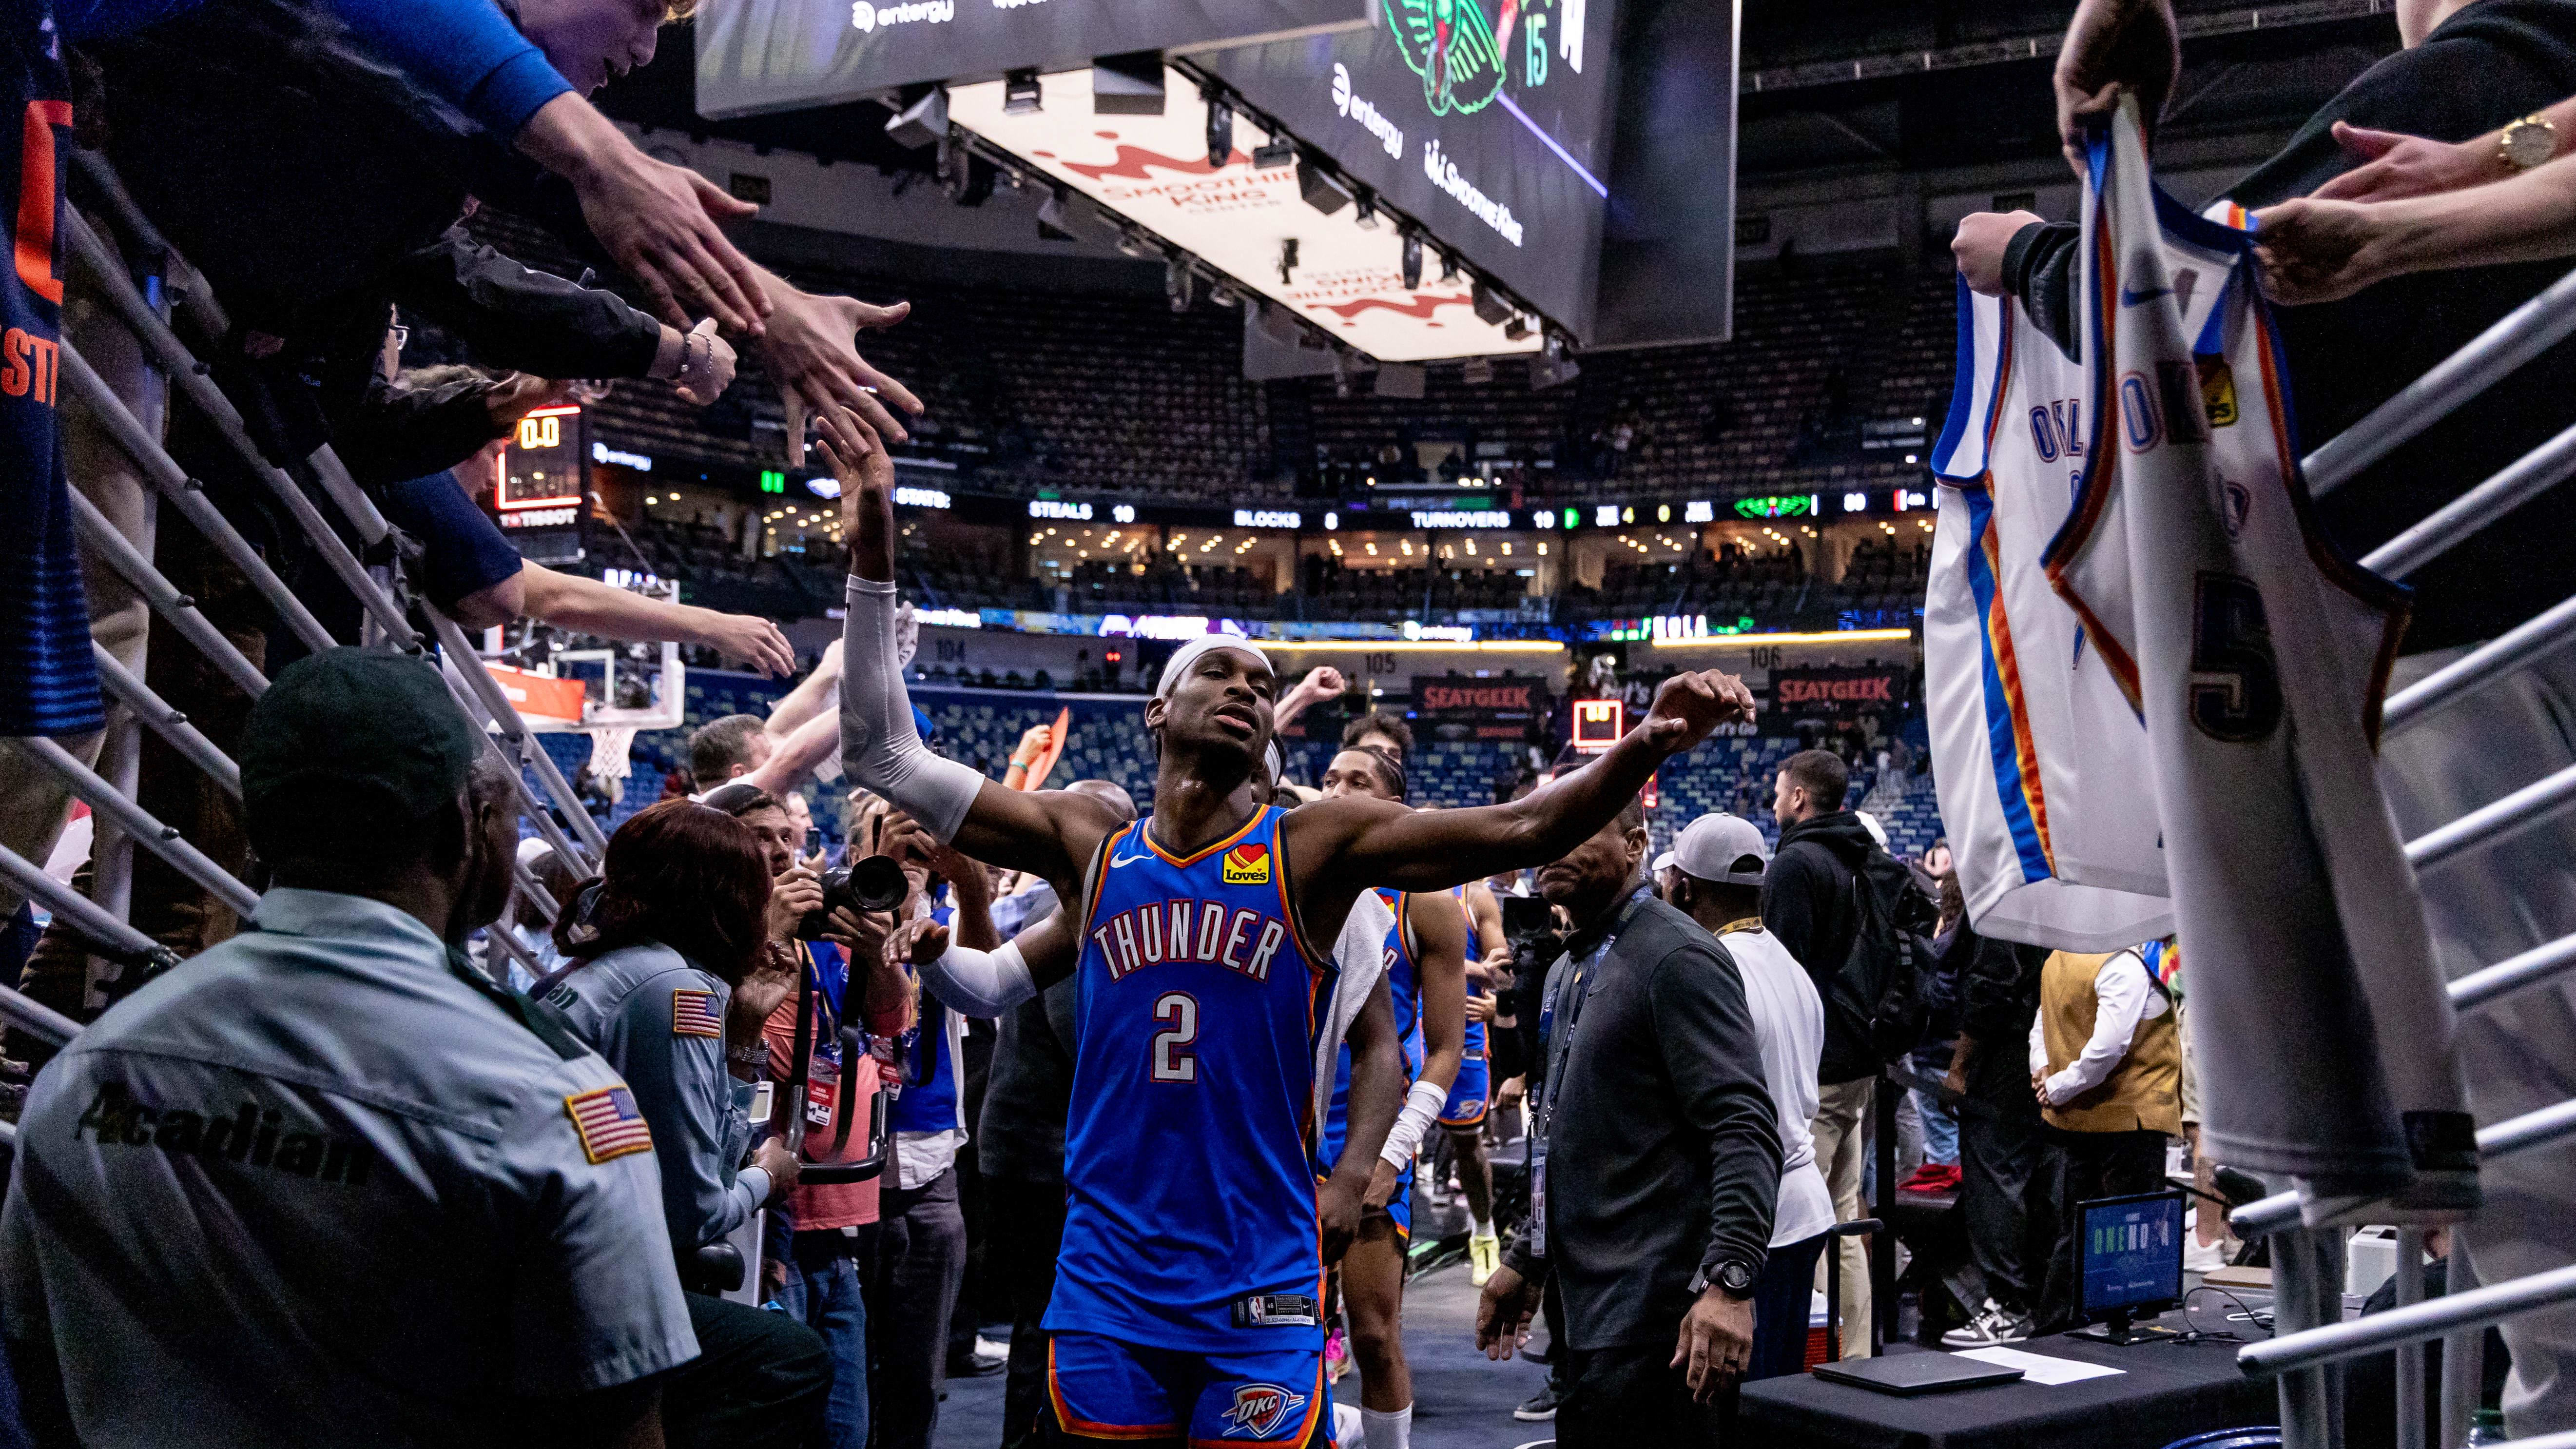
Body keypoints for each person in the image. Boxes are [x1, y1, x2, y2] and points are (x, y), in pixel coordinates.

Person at [826, 400, 1755, 1448]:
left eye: (1261, 684)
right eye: (1218, 672)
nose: (1244, 688)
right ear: (1153, 710)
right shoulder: (1093, 839)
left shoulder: (1311, 846)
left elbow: (1518, 826)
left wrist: (1642, 745)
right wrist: (873, 544)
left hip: (1259, 1269)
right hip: (1108, 1273)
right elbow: (883, 753)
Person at [0, 648, 697, 1446]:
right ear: (462, 825)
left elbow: (37, 1360)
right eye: (510, 806)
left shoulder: (87, 1071)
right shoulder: (551, 1097)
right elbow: (618, 1421)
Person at [1472, 799, 1782, 1448]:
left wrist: (1730, 1282)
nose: (1552, 842)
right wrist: (1527, 1256)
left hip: (1659, 1319)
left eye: (1577, 828)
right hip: (1588, 1309)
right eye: (1549, 826)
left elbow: (1743, 1128)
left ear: (1636, 844)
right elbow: (1561, 1130)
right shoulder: (1567, 965)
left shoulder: (1676, 957)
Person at [542, 799, 833, 1448]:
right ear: (727, 899)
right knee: (790, 1358)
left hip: (550, 1259)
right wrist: (768, 1176)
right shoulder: (679, 989)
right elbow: (696, 1208)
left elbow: (696, 1165)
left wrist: (749, 1029)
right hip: (573, 1286)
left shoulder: (612, 967)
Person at [705, 782, 916, 1449]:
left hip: (836, 1218)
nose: (777, 850)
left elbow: (889, 1031)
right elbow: (726, 1049)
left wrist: (877, 949)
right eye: (757, 837)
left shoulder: (821, 933)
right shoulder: (707, 937)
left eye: (785, 838)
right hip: (756, 1223)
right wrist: (765, 930)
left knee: (846, 1431)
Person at [1312, 746, 1471, 1449]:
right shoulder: (1295, 878)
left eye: (1358, 782)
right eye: (1330, 779)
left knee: (1374, 1335)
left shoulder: (1426, 900)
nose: (1337, 790)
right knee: (1288, 1330)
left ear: (1393, 807)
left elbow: (1445, 1050)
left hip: (1374, 1139)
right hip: (1288, 1139)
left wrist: (1392, 1154)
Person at [977, 782, 1140, 1449]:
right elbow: (1086, 1035)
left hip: (1032, 1148)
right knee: (1050, 1331)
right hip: (1045, 1158)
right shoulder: (1081, 903)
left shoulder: (1061, 896)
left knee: (1046, 1328)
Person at [1664, 813, 1836, 1383]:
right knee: (1775, 1401)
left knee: (1729, 1406)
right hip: (1800, 1204)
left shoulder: (1711, 967)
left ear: (1683, 887)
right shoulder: (1788, 964)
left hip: (1747, 1218)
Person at [1759, 746, 1880, 1357]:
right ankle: (1855, 1356)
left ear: (1799, 798)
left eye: (1779, 793)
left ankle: (1796, 1366)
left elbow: (1782, 972)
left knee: (1800, 1224)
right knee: (1842, 1220)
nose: (1775, 802)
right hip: (1859, 1056)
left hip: (1817, 1069)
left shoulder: (1796, 863)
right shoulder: (1861, 855)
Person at [2027, 942, 2181, 1332]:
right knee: (2132, 1233)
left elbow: (2040, 1024)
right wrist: (2060, 1084)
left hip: (2078, 1119)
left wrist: (2043, 1071)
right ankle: (2123, 1323)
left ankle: (2057, 1324)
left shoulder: (2059, 957)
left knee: (2077, 1229)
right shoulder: (2123, 965)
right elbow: (2109, 1047)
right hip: (2129, 1120)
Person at [691, 711, 842, 801]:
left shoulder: (715, 804)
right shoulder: (721, 804)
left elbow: (783, 729)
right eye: (770, 757)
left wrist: (827, 670)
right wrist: (858, 699)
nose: (776, 757)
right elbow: (794, 759)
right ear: (739, 774)